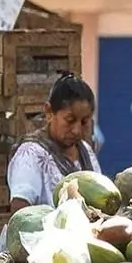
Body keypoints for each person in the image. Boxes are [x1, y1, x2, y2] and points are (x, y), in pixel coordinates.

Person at [7, 73, 101, 212]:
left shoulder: (85, 151)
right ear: (49, 112)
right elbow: (20, 211)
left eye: (84, 122)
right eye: (70, 120)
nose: (76, 130)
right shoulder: (30, 154)